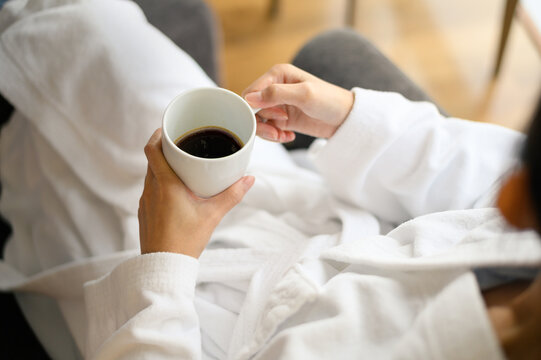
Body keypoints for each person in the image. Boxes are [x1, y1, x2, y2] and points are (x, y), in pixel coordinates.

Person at [0, 1, 539, 359]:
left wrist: (164, 263)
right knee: (100, 41)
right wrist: (347, 115)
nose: (510, 190)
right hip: (301, 217)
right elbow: (479, 166)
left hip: (197, 326)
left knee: (60, 203)